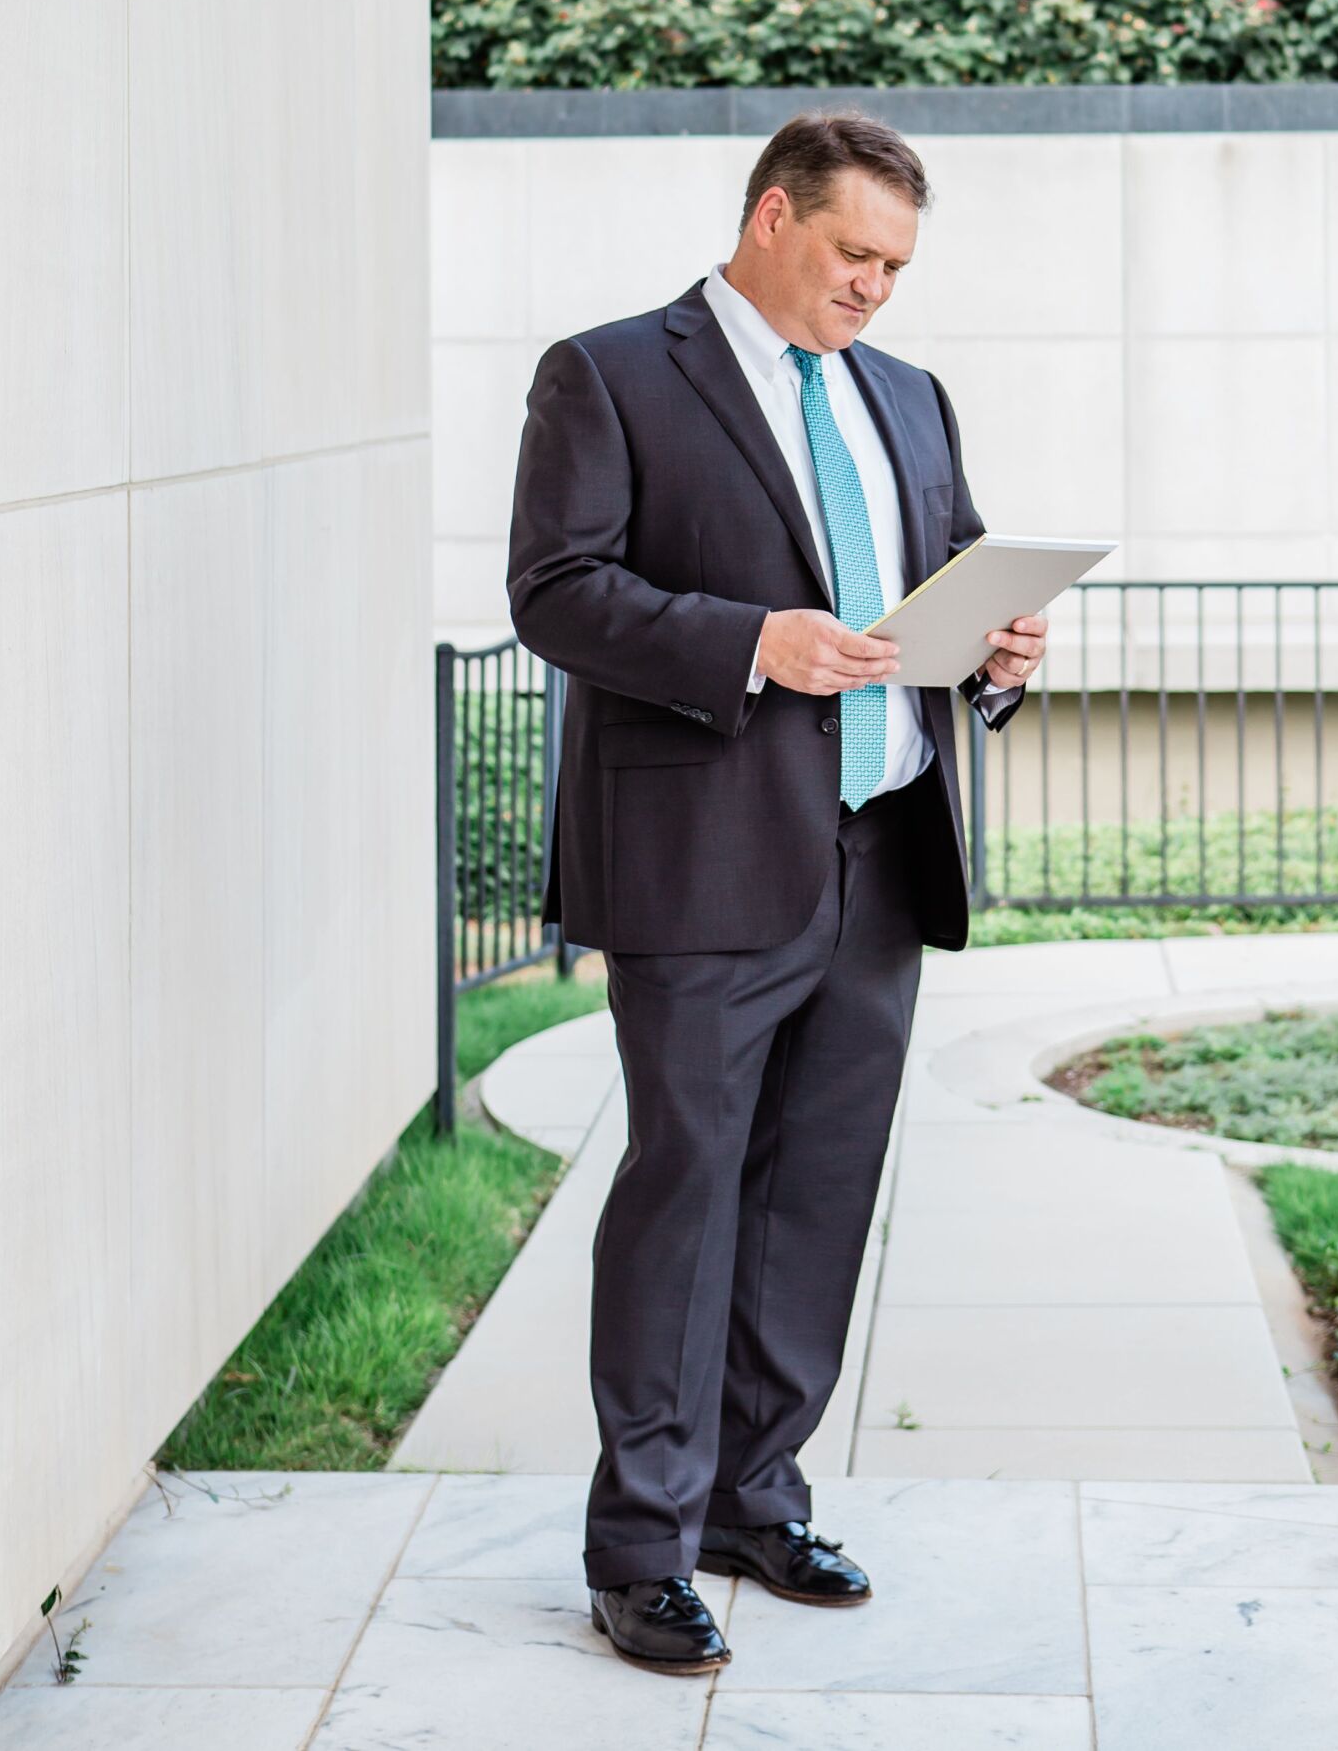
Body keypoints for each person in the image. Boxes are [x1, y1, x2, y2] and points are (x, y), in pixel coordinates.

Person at [505, 109, 1047, 1677]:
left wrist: (1001, 653)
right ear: (770, 219)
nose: (875, 287)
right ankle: (641, 1546)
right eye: (855, 253)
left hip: (880, 856)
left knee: (816, 1197)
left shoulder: (908, 394)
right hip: (703, 866)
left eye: (897, 266)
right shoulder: (609, 373)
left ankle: (755, 1497)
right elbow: (555, 591)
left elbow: (947, 577)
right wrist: (752, 641)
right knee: (684, 1197)